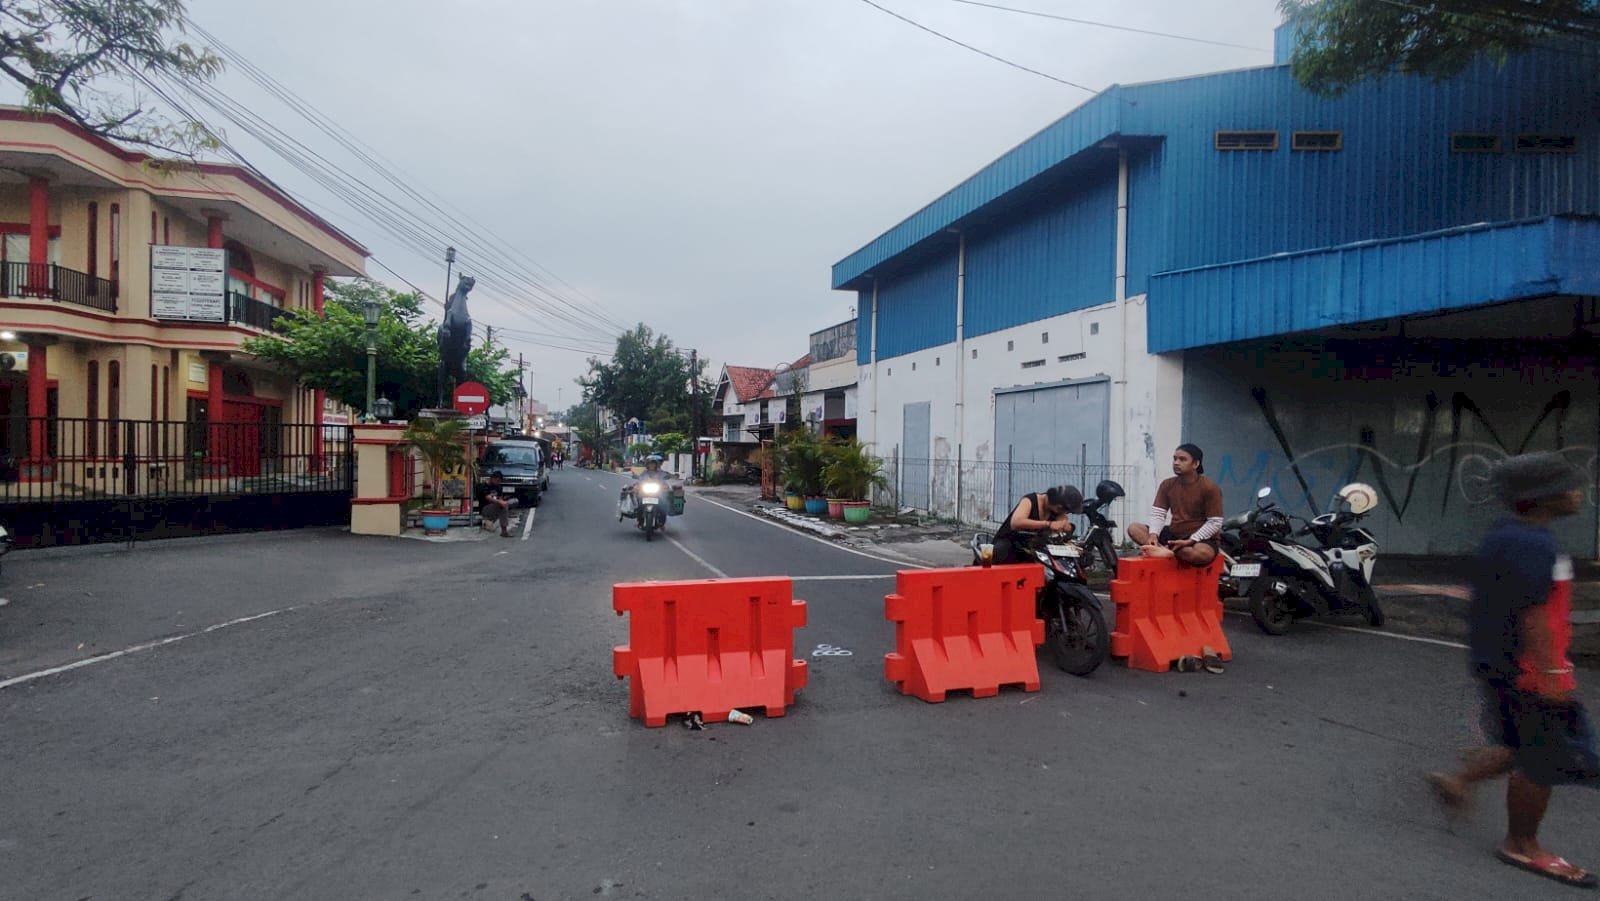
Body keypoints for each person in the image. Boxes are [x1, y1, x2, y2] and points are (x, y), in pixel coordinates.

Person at [1426, 452, 1597, 889]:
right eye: (1569, 484)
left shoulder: (1509, 534)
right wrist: (1551, 676)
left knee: (1521, 744)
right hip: (1530, 672)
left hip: (1505, 666)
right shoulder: (1533, 544)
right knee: (1542, 760)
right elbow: (1534, 616)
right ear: (1544, 497)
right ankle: (1522, 844)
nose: (1579, 491)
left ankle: (1458, 779)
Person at [1127, 443, 1223, 567]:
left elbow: (1215, 522)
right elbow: (1159, 513)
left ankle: (1165, 550)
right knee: (1134, 528)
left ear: (1196, 464)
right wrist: (1153, 534)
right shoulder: (1167, 485)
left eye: (1182, 459)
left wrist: (1190, 540)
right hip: (1174, 534)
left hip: (1200, 539)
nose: (1176, 463)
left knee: (1201, 554)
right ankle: (1163, 550)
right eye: (1175, 459)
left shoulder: (1209, 487)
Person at [990, 485, 1083, 565]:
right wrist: (1048, 524)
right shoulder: (1030, 500)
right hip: (1010, 545)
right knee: (1002, 551)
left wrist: (1067, 527)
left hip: (1033, 548)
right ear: (1058, 506)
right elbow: (1016, 522)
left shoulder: (1057, 512)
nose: (1065, 512)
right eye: (1064, 510)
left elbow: (1064, 523)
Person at [480, 472, 513, 537]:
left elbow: (500, 498)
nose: (498, 482)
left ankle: (503, 530)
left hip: (496, 507)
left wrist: (503, 502)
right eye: (497, 480)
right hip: (485, 508)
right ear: (492, 478)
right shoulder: (484, 486)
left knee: (513, 501)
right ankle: (504, 531)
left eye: (499, 481)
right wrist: (500, 502)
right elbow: (488, 497)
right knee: (502, 506)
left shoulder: (498, 487)